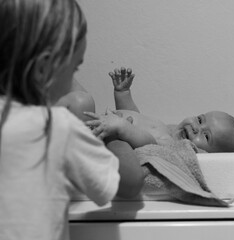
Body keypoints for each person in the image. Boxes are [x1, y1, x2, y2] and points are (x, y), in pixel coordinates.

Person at [0, 1, 143, 240]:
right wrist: (116, 133)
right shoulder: (54, 127)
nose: (73, 81)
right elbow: (129, 184)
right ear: (43, 68)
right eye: (74, 69)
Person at [85, 67, 234, 153]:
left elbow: (147, 144)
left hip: (97, 135)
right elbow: (136, 117)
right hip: (99, 125)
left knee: (82, 100)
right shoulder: (168, 129)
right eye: (199, 119)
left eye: (206, 136)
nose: (196, 127)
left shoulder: (172, 147)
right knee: (80, 102)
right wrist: (123, 94)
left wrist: (122, 127)